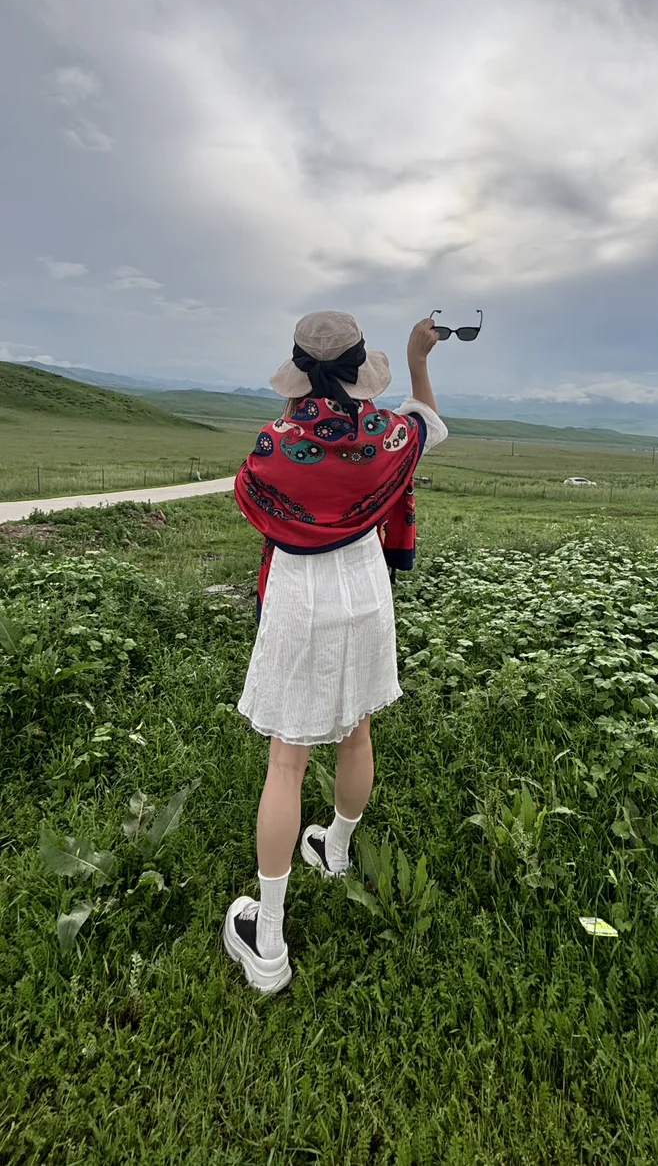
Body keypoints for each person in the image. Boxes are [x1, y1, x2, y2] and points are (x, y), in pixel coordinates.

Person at [222, 310, 448, 994]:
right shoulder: (387, 436)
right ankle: (336, 850)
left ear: (299, 373)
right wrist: (418, 361)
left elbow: (249, 494)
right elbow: (428, 424)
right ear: (359, 371)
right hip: (366, 593)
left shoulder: (276, 444)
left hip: (302, 598)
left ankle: (268, 941)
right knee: (358, 732)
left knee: (286, 762)